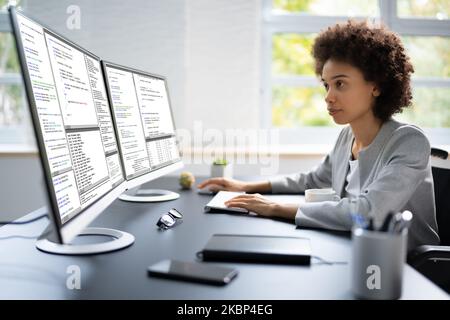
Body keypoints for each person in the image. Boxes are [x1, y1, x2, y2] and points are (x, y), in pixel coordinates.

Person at [198, 20, 439, 250]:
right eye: (326, 85)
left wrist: (275, 207)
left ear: (376, 86)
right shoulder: (347, 137)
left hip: (403, 267)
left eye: (340, 84)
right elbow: (314, 180)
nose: (328, 96)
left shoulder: (408, 142)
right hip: (352, 248)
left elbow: (369, 212)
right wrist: (246, 186)